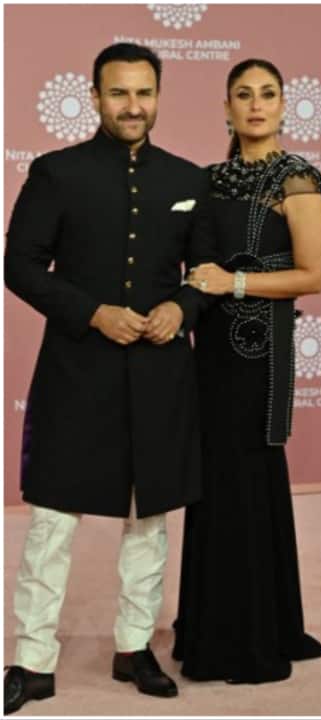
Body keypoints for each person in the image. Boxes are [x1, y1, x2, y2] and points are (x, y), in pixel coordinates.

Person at [3, 43, 208, 712]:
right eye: (118, 93)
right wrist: (92, 312)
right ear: (95, 97)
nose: (132, 105)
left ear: (158, 95)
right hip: (76, 372)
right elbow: (21, 265)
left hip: (159, 375)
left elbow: (205, 276)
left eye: (143, 92)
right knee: (53, 521)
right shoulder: (57, 173)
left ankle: (133, 648)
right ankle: (32, 661)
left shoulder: (187, 180)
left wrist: (182, 306)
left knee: (149, 521)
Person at [172, 58, 321, 683]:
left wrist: (233, 281)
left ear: (285, 106)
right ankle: (212, 626)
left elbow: (314, 275)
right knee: (212, 481)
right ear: (227, 107)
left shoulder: (297, 179)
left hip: (260, 351)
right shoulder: (207, 179)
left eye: (269, 94)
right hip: (208, 351)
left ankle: (251, 635)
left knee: (246, 478)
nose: (257, 104)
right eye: (245, 94)